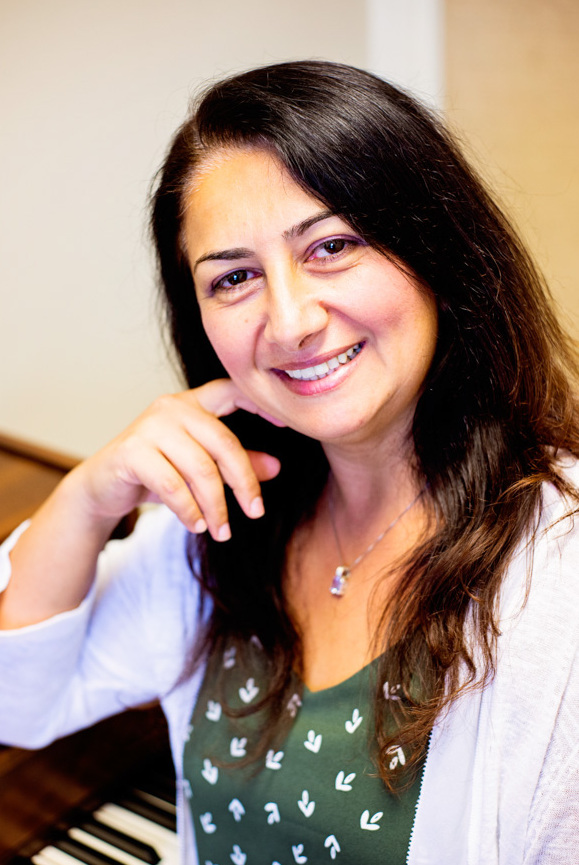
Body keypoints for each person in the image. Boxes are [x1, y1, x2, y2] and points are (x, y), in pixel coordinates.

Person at [0, 60, 578, 865]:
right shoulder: (221, 520)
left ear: (437, 253)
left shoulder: (557, 576)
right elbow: (19, 702)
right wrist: (91, 495)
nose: (291, 319)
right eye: (234, 277)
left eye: (332, 245)